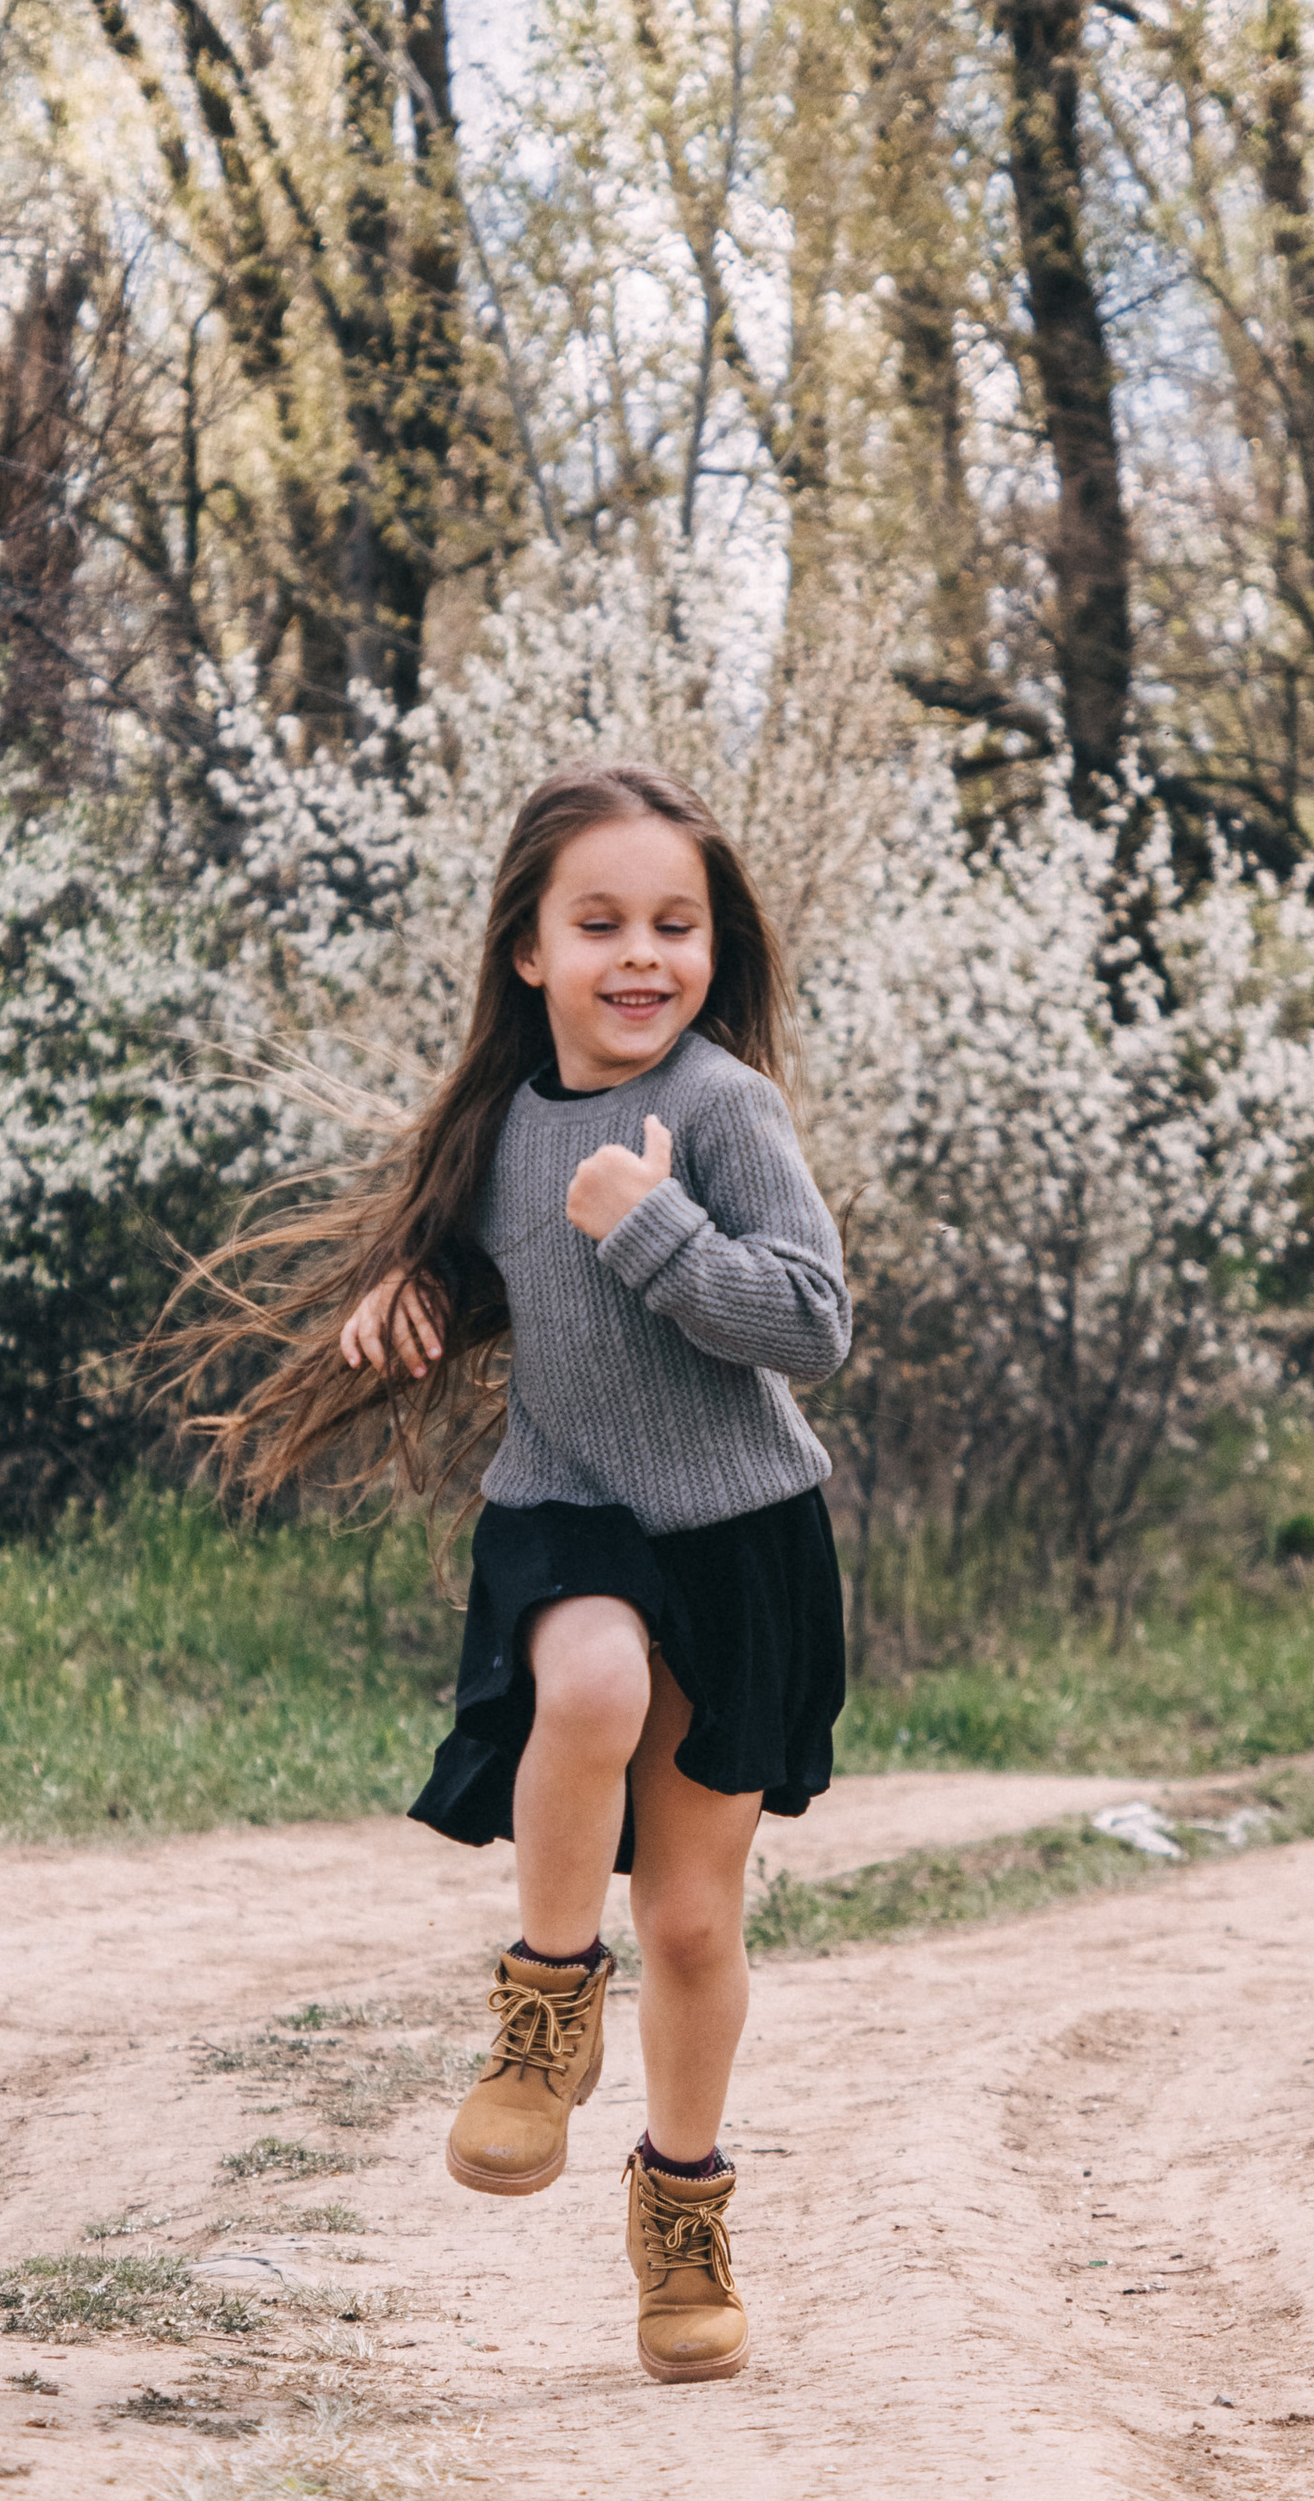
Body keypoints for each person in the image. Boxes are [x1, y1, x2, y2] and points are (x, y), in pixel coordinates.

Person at [186, 760, 850, 2384]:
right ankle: (548, 2007)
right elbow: (491, 1273)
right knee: (593, 1679)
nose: (644, 956)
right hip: (567, 1509)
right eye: (601, 922)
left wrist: (659, 1229)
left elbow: (813, 1323)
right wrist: (404, 1301)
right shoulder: (493, 1127)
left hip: (744, 1530)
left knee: (694, 1923)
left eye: (676, 925)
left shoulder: (720, 1112)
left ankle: (681, 2207)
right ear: (528, 951)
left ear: (715, 947)